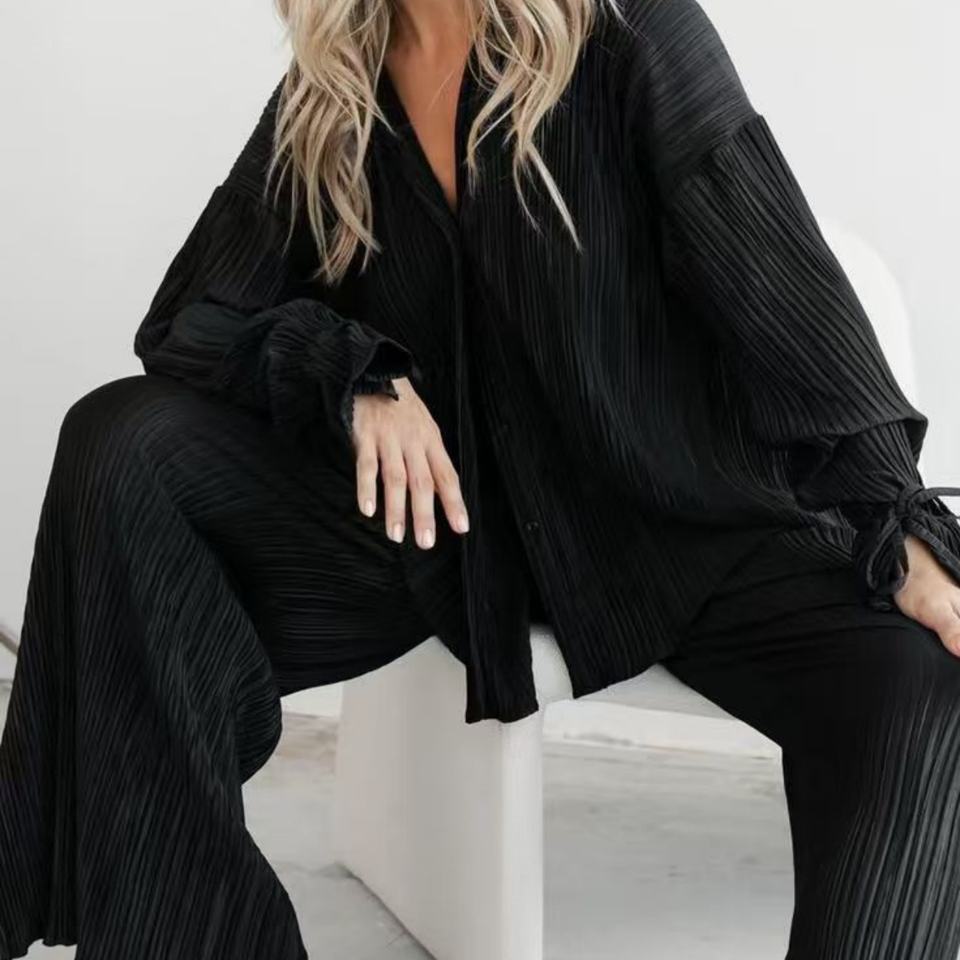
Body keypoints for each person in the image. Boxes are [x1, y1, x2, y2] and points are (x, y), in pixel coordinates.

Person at [3, 0, 960, 956]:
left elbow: (782, 284)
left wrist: (898, 520)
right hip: (459, 540)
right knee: (120, 440)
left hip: (689, 525)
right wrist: (354, 375)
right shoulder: (335, 87)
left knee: (924, 681)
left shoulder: (631, 30)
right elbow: (188, 317)